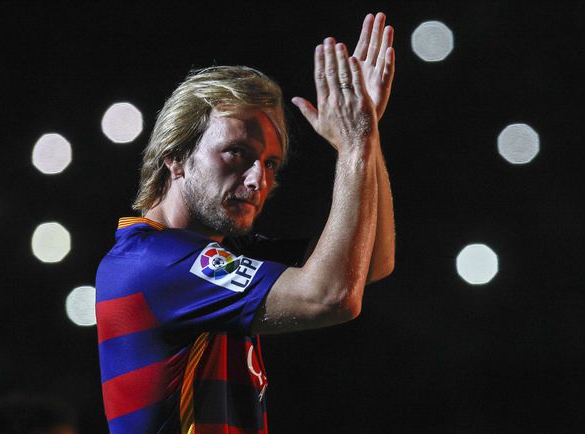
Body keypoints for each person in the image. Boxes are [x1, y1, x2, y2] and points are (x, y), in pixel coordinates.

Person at [95, 12, 395, 433]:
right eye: (236, 152)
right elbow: (331, 296)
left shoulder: (215, 253)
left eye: (270, 163)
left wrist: (368, 132)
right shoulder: (153, 262)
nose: (259, 180)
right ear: (175, 158)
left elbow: (370, 262)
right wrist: (354, 143)